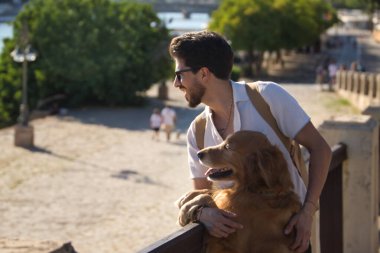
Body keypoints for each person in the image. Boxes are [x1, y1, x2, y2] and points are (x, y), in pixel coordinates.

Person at [169, 31, 332, 253]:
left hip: (290, 242)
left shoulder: (267, 97)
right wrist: (201, 213)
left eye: (179, 74)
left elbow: (321, 149)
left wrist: (307, 212)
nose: (176, 83)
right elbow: (203, 194)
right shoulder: (196, 131)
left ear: (204, 73)